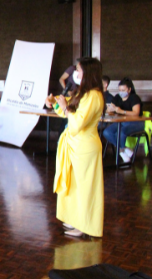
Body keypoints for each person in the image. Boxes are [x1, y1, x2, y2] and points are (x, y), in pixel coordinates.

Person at [45, 58, 104, 238]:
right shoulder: (84, 94)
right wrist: (55, 103)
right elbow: (67, 111)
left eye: (78, 71)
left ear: (88, 73)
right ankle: (74, 218)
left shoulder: (94, 96)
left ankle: (84, 224)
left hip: (85, 146)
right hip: (74, 145)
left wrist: (64, 107)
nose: (75, 75)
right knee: (74, 186)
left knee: (85, 188)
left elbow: (77, 123)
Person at [103, 77, 143, 163]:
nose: (121, 92)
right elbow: (110, 107)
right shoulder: (117, 97)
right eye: (120, 90)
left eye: (123, 90)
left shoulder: (134, 98)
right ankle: (124, 149)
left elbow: (136, 113)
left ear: (129, 89)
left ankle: (121, 152)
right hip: (121, 122)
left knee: (121, 132)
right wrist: (110, 109)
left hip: (136, 123)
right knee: (106, 132)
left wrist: (122, 111)